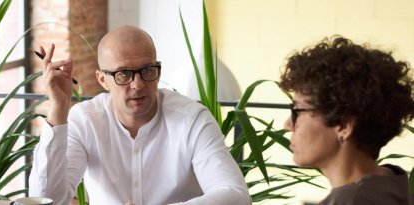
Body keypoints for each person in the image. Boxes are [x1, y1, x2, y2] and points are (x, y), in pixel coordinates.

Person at [28, 25, 250, 205]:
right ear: (102, 79)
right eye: (123, 74)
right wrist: (58, 110)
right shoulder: (85, 120)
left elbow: (235, 195)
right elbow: (48, 201)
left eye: (148, 70)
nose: (138, 84)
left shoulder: (192, 119)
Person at [281, 36, 414, 204]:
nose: (287, 125)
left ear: (344, 126)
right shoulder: (394, 184)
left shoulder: (350, 200)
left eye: (297, 111)